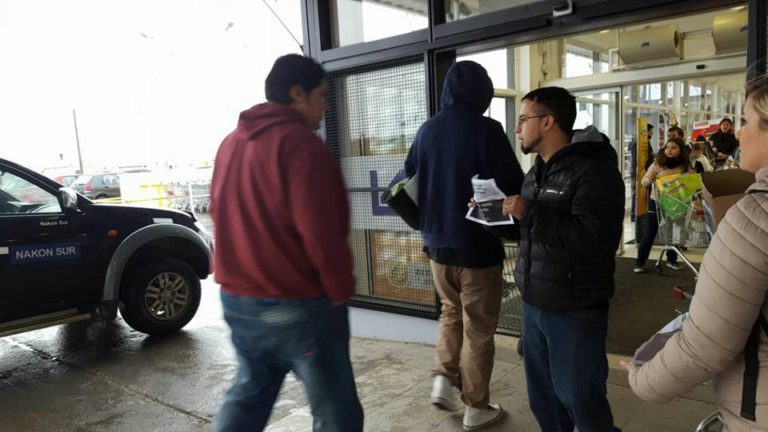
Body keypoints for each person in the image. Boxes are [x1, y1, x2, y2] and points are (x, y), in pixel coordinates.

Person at [210, 54, 363, 432]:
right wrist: (340, 288)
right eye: (321, 96)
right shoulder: (302, 147)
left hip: (238, 301)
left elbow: (217, 212)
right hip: (295, 304)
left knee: (249, 394)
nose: (325, 107)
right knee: (336, 410)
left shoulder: (231, 143)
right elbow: (322, 233)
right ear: (297, 94)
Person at [623, 75, 768, 432]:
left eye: (747, 122)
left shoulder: (755, 217)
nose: (738, 134)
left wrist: (643, 378)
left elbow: (708, 343)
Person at [404, 60, 524, 431]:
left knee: (451, 313)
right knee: (479, 329)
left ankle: (443, 377)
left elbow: (409, 179)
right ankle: (477, 406)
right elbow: (511, 183)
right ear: (483, 93)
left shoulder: (427, 130)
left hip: (437, 246)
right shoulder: (488, 130)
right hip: (477, 248)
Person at [501, 87, 625, 432]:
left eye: (523, 119)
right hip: (533, 305)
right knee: (544, 402)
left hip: (574, 310)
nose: (517, 128)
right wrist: (494, 221)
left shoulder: (595, 172)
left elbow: (593, 241)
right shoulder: (536, 172)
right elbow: (533, 235)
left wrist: (531, 214)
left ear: (548, 121)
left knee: (581, 402)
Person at [633, 137, 690, 273]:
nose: (669, 150)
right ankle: (640, 262)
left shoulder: (685, 165)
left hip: (676, 203)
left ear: (680, 151)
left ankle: (671, 260)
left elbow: (691, 180)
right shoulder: (657, 163)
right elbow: (645, 179)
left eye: (674, 148)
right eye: (667, 147)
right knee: (649, 233)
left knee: (672, 232)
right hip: (656, 202)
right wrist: (648, 181)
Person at [630, 123, 655, 222]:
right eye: (651, 131)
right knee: (636, 192)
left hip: (641, 171)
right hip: (638, 172)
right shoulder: (639, 142)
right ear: (646, 131)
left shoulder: (644, 141)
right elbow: (638, 159)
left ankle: (637, 213)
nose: (652, 133)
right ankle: (634, 214)